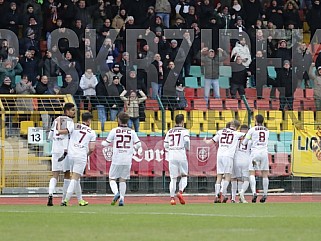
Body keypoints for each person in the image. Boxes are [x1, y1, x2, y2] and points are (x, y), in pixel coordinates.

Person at [102, 112, 142, 206]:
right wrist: (135, 148)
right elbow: (139, 144)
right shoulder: (132, 132)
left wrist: (100, 143)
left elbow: (106, 143)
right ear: (127, 121)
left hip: (117, 158)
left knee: (112, 178)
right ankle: (122, 199)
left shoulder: (114, 130)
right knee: (123, 180)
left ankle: (116, 193)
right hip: (127, 159)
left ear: (118, 120)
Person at [203, 119, 244, 203]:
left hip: (220, 155)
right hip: (228, 156)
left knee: (219, 176)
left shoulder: (220, 131)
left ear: (230, 124)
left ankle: (216, 195)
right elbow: (248, 136)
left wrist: (205, 140)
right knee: (228, 176)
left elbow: (210, 142)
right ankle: (221, 192)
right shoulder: (237, 133)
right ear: (237, 127)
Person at [61, 112, 96, 206]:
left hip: (71, 154)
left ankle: (80, 200)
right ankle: (65, 200)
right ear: (89, 121)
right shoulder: (92, 132)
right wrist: (86, 154)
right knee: (75, 178)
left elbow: (66, 132)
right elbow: (92, 148)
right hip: (81, 155)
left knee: (76, 179)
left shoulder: (74, 125)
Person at [47, 102, 76, 206]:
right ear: (67, 111)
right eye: (72, 110)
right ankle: (63, 199)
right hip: (65, 151)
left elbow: (50, 136)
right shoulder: (70, 122)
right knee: (67, 174)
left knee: (54, 174)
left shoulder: (56, 120)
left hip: (55, 150)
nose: (74, 112)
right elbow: (67, 132)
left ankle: (50, 194)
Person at [242, 114, 270, 203]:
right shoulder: (267, 130)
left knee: (252, 172)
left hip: (255, 153)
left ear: (256, 121)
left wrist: (249, 139)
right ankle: (265, 194)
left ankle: (254, 192)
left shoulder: (252, 129)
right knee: (265, 173)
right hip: (264, 153)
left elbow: (244, 142)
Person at [164, 114, 190, 205]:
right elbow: (186, 141)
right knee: (184, 176)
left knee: (173, 178)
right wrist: (187, 148)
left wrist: (171, 149)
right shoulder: (185, 131)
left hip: (172, 154)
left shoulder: (170, 131)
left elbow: (165, 145)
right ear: (182, 121)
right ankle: (180, 192)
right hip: (181, 153)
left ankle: (172, 198)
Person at [230, 124, 251, 203]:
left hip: (236, 160)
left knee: (235, 179)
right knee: (245, 179)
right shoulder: (249, 139)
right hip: (246, 160)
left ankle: (233, 198)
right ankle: (241, 194)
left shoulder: (235, 139)